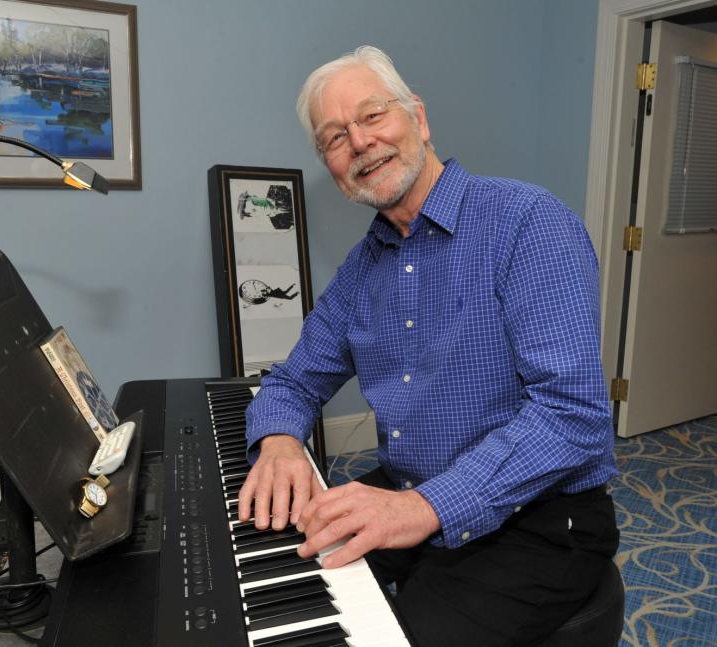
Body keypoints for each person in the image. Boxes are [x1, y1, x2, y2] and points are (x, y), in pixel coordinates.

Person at [237, 46, 619, 647]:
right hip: (411, 488)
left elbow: (573, 417)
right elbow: (292, 380)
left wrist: (422, 508)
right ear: (330, 165)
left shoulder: (528, 222)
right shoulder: (362, 269)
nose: (359, 143)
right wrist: (280, 440)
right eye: (335, 137)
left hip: (542, 518)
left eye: (372, 116)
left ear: (418, 117)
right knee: (273, 566)